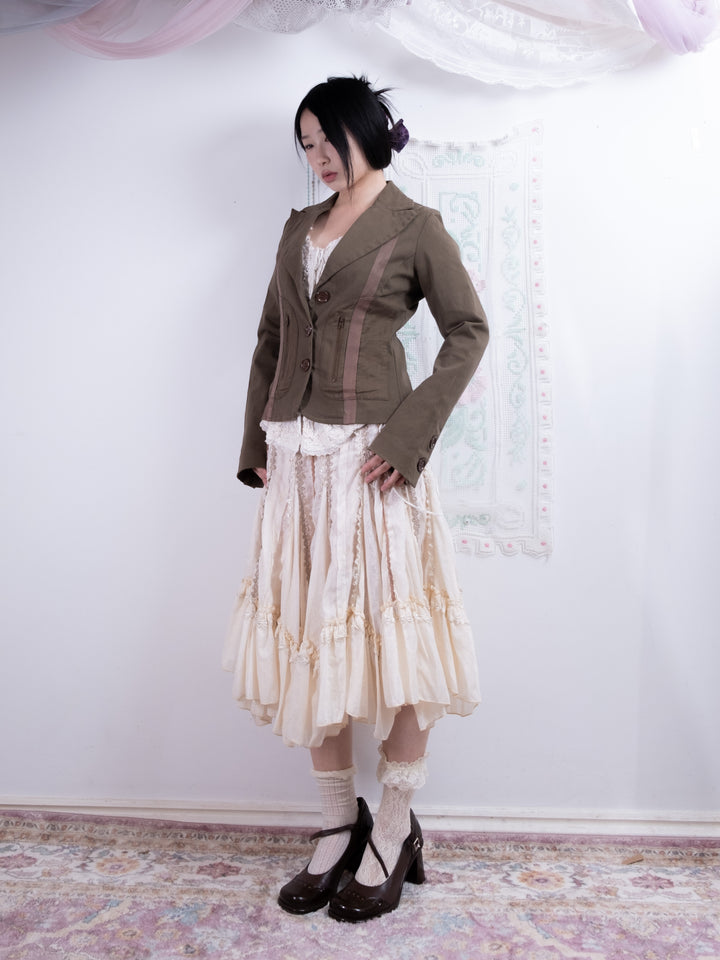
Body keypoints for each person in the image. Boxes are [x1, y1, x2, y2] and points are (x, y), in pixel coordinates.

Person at [223, 75, 489, 923]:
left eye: (326, 138)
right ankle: (340, 823)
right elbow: (271, 337)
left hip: (373, 460)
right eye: (305, 144)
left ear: (366, 128)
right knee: (311, 633)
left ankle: (397, 826)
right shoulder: (298, 227)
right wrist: (256, 444)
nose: (317, 156)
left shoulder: (417, 226)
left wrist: (406, 440)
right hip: (294, 457)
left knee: (395, 638)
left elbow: (469, 332)